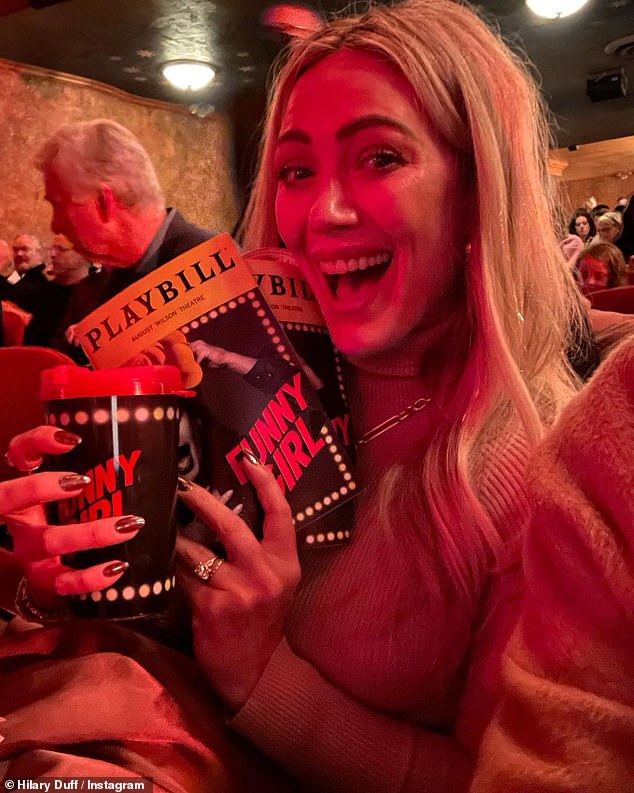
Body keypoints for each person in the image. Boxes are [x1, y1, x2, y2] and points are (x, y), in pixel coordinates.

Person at [0, 1, 619, 791]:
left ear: (475, 189)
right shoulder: (226, 369)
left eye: (380, 158)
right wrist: (57, 583)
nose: (321, 213)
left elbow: (492, 776)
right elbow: (146, 638)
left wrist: (264, 677)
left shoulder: (538, 475)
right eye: (297, 171)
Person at [36, 118, 216, 358]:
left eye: (59, 204)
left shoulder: (215, 264)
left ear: (105, 202)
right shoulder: (95, 286)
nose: (55, 225)